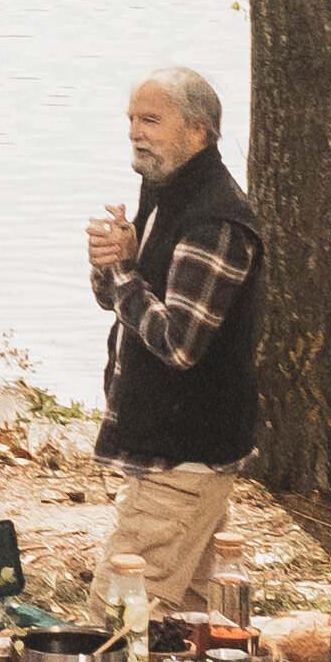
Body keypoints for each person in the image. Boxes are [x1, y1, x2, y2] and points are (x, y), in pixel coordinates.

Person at [87, 65, 262, 470]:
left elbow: (178, 346)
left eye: (150, 120)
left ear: (198, 132)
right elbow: (117, 302)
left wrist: (124, 270)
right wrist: (109, 263)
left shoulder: (213, 222)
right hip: (156, 449)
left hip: (184, 459)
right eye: (131, 119)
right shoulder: (163, 190)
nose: (134, 132)